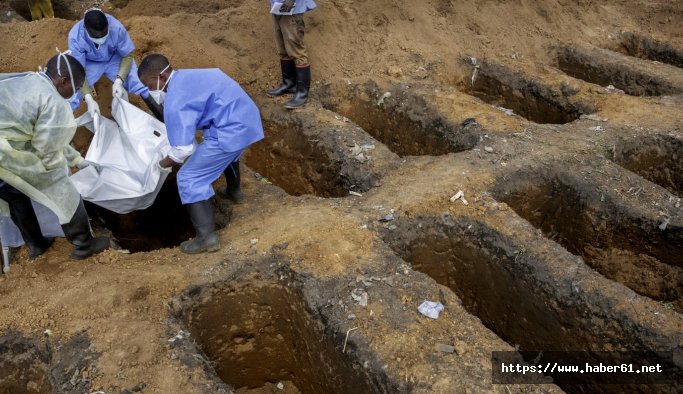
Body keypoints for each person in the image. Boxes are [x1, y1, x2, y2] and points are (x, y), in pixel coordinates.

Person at [137, 54, 264, 254]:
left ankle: (206, 238)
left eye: (149, 85)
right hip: (246, 117)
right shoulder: (191, 75)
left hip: (229, 132)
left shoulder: (175, 101)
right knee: (224, 151)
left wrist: (163, 164)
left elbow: (184, 149)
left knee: (189, 177)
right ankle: (234, 190)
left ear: (160, 77)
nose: (149, 90)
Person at [0, 52, 110, 260]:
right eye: (76, 87)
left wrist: (77, 159)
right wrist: (60, 171)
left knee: (13, 192)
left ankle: (36, 245)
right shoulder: (54, 103)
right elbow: (47, 150)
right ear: (63, 81)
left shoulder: (30, 79)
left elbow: (45, 135)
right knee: (64, 190)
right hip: (4, 151)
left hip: (5, 145)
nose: (76, 92)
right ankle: (84, 245)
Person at [68, 8, 163, 120]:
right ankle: (64, 126)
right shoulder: (75, 37)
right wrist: (88, 98)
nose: (102, 39)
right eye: (97, 37)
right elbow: (79, 70)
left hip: (114, 58)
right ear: (85, 30)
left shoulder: (116, 27)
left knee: (139, 83)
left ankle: (162, 117)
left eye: (104, 35)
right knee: (72, 92)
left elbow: (127, 55)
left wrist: (119, 80)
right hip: (90, 63)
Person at [266, 0, 316, 108]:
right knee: (282, 48)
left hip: (292, 8)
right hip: (278, 7)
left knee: (297, 51)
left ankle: (302, 94)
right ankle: (289, 84)